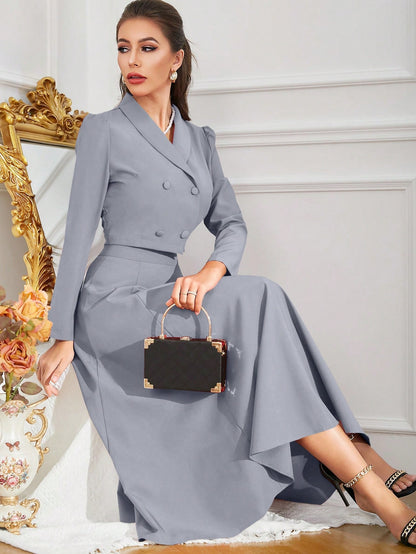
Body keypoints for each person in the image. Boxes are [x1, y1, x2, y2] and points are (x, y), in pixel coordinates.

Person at [37, 0, 416, 547]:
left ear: (176, 59)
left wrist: (212, 271)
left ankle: (360, 466)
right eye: (123, 48)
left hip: (169, 289)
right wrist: (63, 334)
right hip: (113, 304)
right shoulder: (104, 130)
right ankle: (369, 480)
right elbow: (76, 238)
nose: (132, 61)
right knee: (260, 297)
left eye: (147, 48)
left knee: (261, 301)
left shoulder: (200, 141)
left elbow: (232, 224)